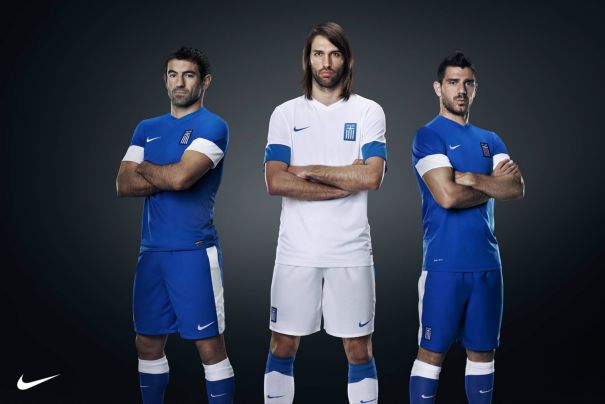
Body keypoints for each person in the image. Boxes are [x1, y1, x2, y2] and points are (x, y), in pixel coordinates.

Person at [262, 22, 387, 404]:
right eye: (319, 53)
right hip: (296, 252)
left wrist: (308, 170)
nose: (327, 62)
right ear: (308, 59)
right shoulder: (285, 114)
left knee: (359, 350)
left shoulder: (368, 111)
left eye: (334, 53)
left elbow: (372, 176)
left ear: (347, 60)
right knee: (282, 344)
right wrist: (345, 181)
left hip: (351, 252)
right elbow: (275, 181)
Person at [116, 46, 234, 404]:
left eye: (188, 75)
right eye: (173, 74)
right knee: (146, 342)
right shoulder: (146, 128)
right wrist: (168, 172)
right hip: (151, 252)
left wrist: (148, 168)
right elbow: (123, 183)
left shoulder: (213, 125)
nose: (179, 82)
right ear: (165, 80)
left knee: (208, 346)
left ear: (205, 81)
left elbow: (182, 178)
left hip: (193, 253)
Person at [409, 52, 524, 403]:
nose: (461, 90)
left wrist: (472, 178)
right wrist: (492, 185)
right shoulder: (428, 136)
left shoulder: (491, 139)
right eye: (453, 82)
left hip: (488, 264)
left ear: (475, 88)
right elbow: (447, 197)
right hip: (444, 265)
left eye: (468, 83)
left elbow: (516, 187)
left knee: (483, 355)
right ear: (438, 87)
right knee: (431, 355)